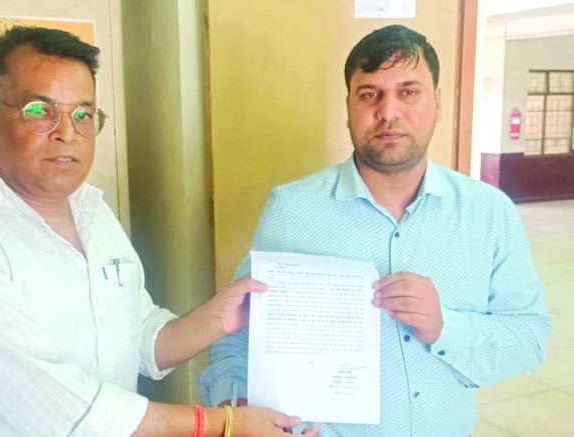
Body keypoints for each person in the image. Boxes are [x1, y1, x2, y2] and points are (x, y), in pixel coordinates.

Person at [0, 26, 320, 437]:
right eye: (39, 112)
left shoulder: (94, 214)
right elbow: (57, 406)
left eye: (83, 114)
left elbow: (141, 340)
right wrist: (223, 423)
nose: (67, 133)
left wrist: (218, 320)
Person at [198, 24, 552, 436]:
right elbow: (238, 338)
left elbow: (528, 337)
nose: (388, 112)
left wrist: (444, 327)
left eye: (408, 92)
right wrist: (237, 407)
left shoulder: (488, 211)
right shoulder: (292, 209)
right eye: (370, 94)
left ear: (438, 103)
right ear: (348, 106)